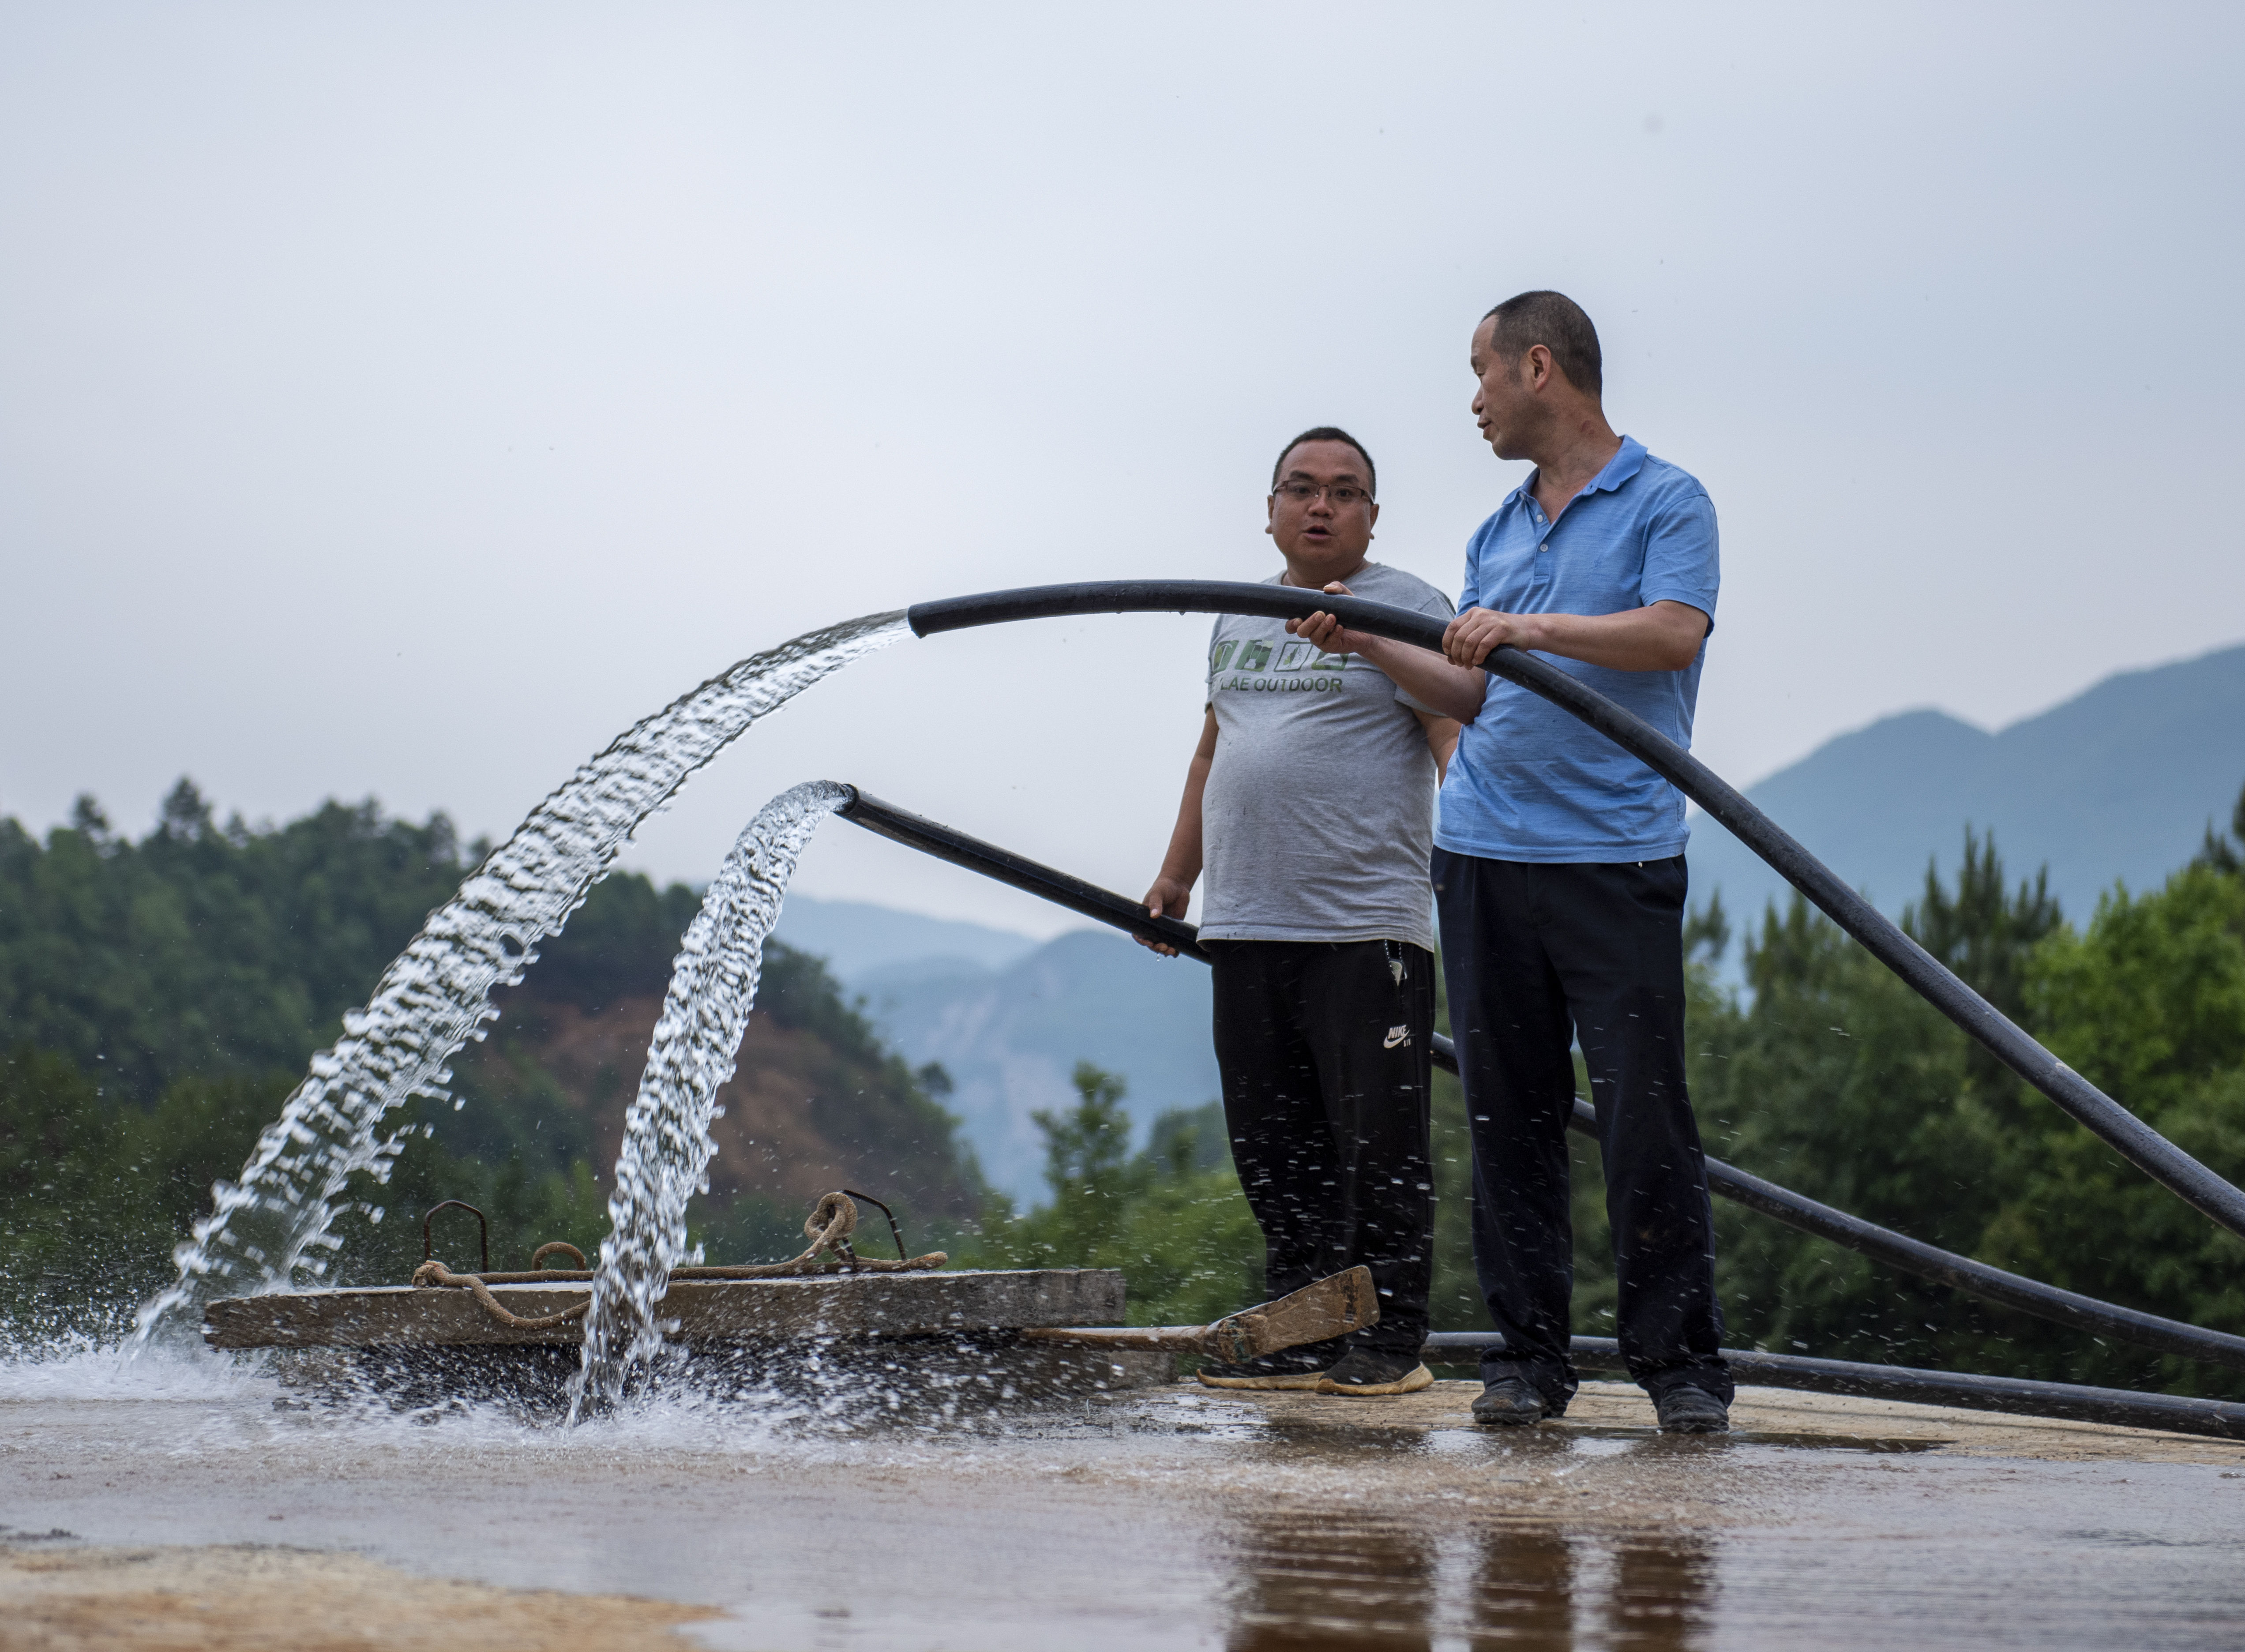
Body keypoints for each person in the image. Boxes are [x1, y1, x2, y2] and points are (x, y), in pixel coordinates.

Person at [1287, 292, 1734, 1433]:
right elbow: (1472, 692)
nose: (1473, 398)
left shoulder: (1666, 501)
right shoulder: (1496, 531)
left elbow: (1673, 632)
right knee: (1507, 1121)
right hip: (1482, 855)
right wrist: (1374, 644)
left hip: (1614, 860)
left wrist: (1534, 631)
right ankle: (1527, 1364)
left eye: (1481, 372)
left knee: (1643, 1118)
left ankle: (1678, 1370)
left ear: (1540, 368)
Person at [1138, 426, 1460, 1397]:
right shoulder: (1237, 618)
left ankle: (1391, 1340)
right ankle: (1305, 1330)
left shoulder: (1410, 605)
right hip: (1246, 922)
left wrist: (1482, 871)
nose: (1321, 505)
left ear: (1371, 514)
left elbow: (1453, 725)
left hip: (1367, 924)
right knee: (1274, 1144)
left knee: (1379, 1148)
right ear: (1271, 509)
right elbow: (1212, 751)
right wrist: (1174, 877)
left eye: (1345, 492)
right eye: (1301, 488)